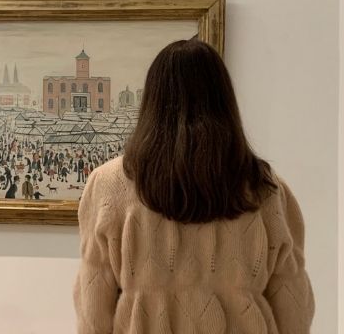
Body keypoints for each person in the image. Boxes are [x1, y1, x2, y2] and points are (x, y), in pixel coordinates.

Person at [73, 39, 314, 333]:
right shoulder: (267, 190)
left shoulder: (108, 185)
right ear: (225, 101)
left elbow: (93, 305)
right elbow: (293, 305)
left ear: (152, 101)